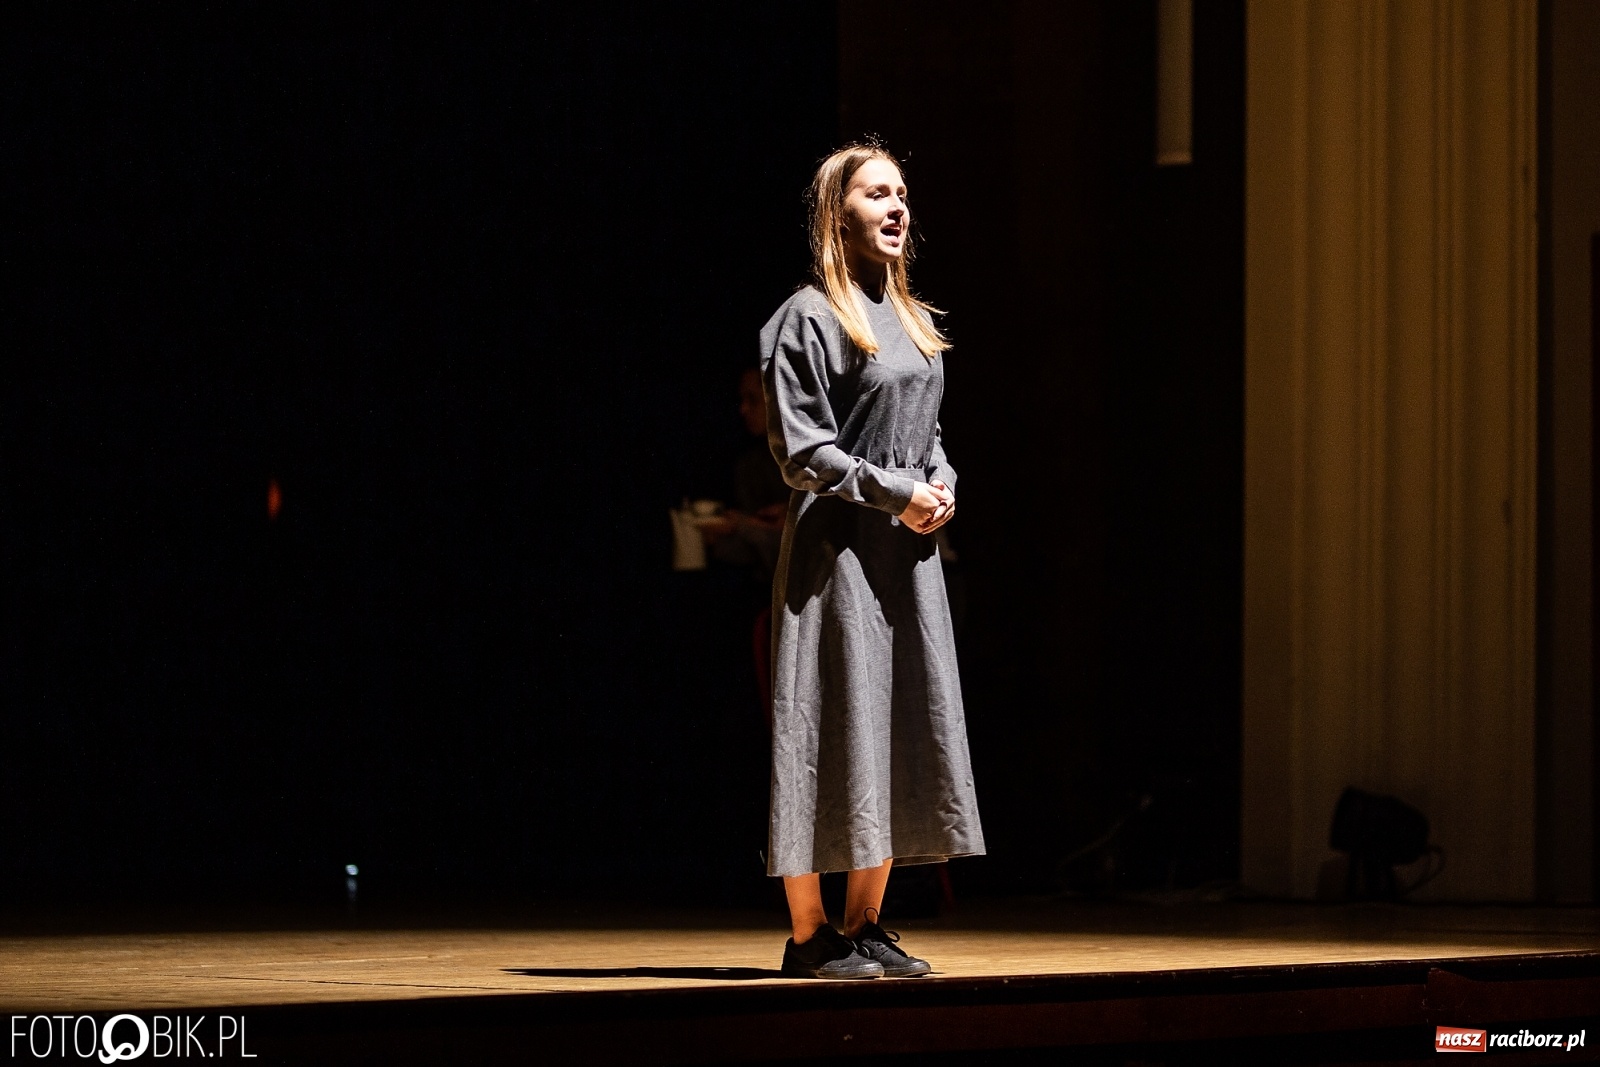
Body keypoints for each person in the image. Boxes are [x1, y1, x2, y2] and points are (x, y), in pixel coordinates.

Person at [760, 143, 984, 980]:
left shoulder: (915, 322)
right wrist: (898, 493)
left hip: (907, 561)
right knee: (826, 724)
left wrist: (943, 483)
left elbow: (930, 440)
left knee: (896, 725)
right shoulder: (808, 318)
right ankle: (809, 934)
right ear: (837, 213)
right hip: (838, 556)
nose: (896, 208)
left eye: (901, 194)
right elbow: (802, 451)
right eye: (875, 194)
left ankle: (865, 923)